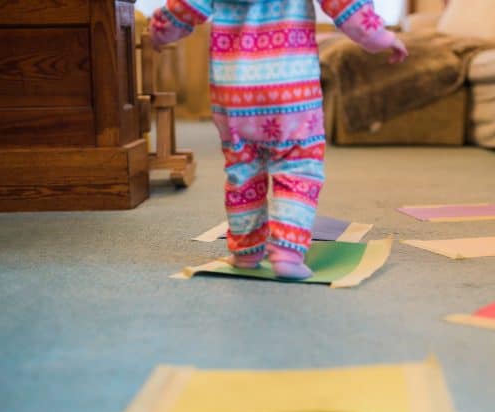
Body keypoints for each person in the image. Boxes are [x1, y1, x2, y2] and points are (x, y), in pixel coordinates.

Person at [149, 0, 408, 278]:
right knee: (298, 167)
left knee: (242, 168)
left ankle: (245, 252)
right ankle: (287, 251)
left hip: (234, 93)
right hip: (290, 91)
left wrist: (159, 31)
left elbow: (185, 7)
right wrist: (382, 38)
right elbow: (347, 7)